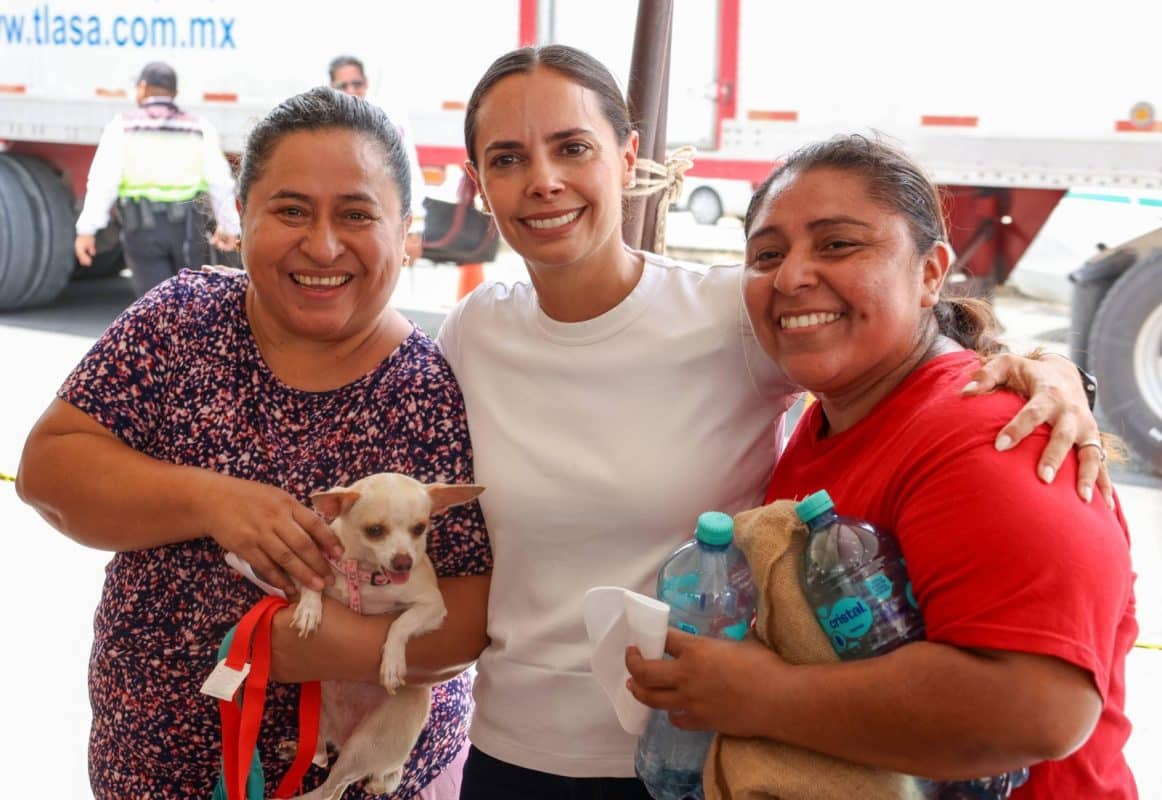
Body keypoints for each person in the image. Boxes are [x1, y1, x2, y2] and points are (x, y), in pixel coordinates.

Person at [267, 45, 1108, 800]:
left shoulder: (733, 317)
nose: (543, 181)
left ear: (628, 159)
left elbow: (893, 344)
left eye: (572, 148)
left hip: (686, 758)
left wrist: (1048, 368)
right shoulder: (477, 330)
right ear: (479, 184)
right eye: (508, 158)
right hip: (511, 751)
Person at [626, 135, 1137, 797]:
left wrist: (760, 695)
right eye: (767, 255)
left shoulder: (988, 438)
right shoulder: (832, 417)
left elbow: (1041, 709)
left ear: (930, 274)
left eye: (837, 244)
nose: (790, 277)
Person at [18, 87, 490, 799]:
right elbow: (48, 472)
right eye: (291, 210)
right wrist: (212, 499)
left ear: (405, 232)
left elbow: (476, 611)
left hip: (368, 778)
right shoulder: (179, 321)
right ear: (240, 217)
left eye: (357, 214)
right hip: (154, 772)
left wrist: (317, 648)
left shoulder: (433, 386)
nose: (323, 245)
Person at [74, 61, 241, 298]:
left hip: (142, 230)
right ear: (175, 93)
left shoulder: (123, 126)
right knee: (189, 302)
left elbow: (103, 182)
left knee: (154, 305)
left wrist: (86, 230)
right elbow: (220, 181)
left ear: (142, 88)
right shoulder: (198, 127)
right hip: (188, 230)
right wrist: (228, 226)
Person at [329, 54, 427, 264]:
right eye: (343, 85)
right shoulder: (323, 124)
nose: (351, 90)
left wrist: (414, 227)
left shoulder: (388, 120)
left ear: (367, 83)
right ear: (331, 87)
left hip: (378, 222)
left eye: (357, 83)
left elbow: (408, 171)